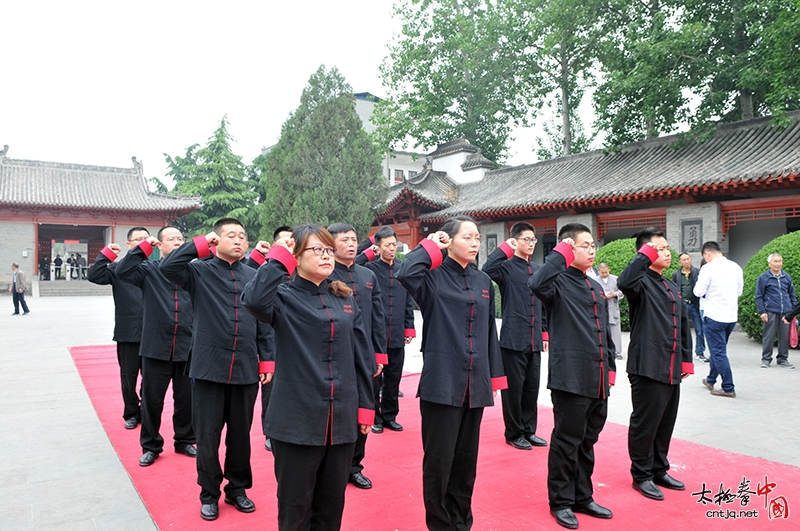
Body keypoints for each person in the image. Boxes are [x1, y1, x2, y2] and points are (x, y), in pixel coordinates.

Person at [242, 224, 374, 531]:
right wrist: (278, 257)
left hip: (340, 421)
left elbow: (360, 355)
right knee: (295, 510)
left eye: (329, 249)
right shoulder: (282, 298)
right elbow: (254, 300)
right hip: (296, 423)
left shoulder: (343, 296)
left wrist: (366, 405)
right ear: (296, 257)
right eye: (317, 250)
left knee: (331, 508)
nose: (327, 255)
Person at [397, 215, 507, 531]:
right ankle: (440, 525)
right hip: (442, 382)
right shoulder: (431, 277)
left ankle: (462, 522)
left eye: (477, 238)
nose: (475, 243)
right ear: (449, 240)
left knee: (465, 463)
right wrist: (430, 245)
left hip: (475, 383)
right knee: (439, 463)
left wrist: (494, 378)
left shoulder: (484, 282)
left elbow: (489, 332)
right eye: (467, 237)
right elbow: (406, 273)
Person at [160, 218, 271, 521]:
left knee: (240, 435)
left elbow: (263, 320)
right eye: (230, 236)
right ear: (216, 241)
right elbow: (167, 267)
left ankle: (237, 489)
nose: (238, 241)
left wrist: (267, 359)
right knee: (207, 436)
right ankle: (208, 493)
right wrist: (199, 243)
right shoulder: (198, 271)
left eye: (243, 236)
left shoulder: (253, 274)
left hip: (246, 367)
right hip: (209, 368)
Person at [529, 222, 616, 530]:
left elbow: (604, 331)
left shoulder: (594, 285)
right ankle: (562, 501)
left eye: (593, 245)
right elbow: (537, 283)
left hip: (598, 376)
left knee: (588, 440)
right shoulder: (557, 282)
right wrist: (560, 252)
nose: (592, 250)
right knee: (567, 441)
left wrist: (611, 367)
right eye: (584, 245)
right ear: (568, 247)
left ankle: (583, 495)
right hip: (570, 376)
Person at [618, 227, 693, 502]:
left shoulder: (670, 284)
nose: (667, 252)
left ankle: (659, 468)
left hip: (672, 363)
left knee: (665, 422)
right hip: (647, 364)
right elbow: (624, 281)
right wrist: (644, 256)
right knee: (646, 422)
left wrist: (686, 360)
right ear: (645, 252)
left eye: (666, 247)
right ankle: (641, 474)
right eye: (659, 248)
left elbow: (683, 323)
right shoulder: (639, 283)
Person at [115, 226, 196, 466]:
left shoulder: (194, 272)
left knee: (186, 399)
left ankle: (184, 440)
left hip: (187, 346)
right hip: (155, 347)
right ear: (159, 244)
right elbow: (123, 270)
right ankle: (151, 445)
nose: (177, 242)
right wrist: (143, 247)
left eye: (181, 238)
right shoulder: (148, 270)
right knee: (152, 401)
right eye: (171, 239)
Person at [327, 223, 387, 491]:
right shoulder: (326, 274)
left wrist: (379, 355)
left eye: (354, 240)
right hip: (334, 353)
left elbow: (378, 315)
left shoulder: (367, 275)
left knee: (365, 408)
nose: (351, 244)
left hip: (364, 355)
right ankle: (334, 465)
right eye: (344, 240)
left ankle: (355, 465)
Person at [482, 221, 549, 450]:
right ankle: (513, 433)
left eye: (533, 240)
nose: (531, 244)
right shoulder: (506, 268)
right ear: (516, 241)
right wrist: (505, 248)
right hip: (513, 338)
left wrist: (545, 332)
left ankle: (529, 430)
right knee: (514, 390)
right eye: (526, 239)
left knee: (532, 388)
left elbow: (544, 304)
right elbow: (487, 269)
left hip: (534, 339)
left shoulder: (538, 269)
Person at [86, 227, 149, 429]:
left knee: (151, 379)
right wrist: (107, 254)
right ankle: (131, 412)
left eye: (146, 239)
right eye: (138, 239)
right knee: (128, 377)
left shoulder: (159, 267)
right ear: (129, 244)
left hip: (155, 333)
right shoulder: (118, 269)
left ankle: (148, 412)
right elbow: (94, 275)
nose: (142, 243)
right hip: (128, 332)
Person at [358, 226, 416, 437]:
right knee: (375, 377)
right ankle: (375, 417)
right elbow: (353, 265)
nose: (392, 249)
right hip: (376, 333)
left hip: (397, 332)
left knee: (394, 377)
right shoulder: (370, 269)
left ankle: (390, 416)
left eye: (394, 244)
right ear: (378, 247)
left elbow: (408, 299)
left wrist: (409, 327)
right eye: (387, 245)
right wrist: (367, 251)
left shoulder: (402, 268)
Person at [257, 225, 293, 453]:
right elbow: (260, 318)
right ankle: (270, 432)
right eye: (284, 242)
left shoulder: (304, 272)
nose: (289, 245)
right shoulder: (268, 273)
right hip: (272, 344)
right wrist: (266, 357)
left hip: (296, 346)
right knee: (271, 393)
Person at [693, 241, 743, 398]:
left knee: (718, 352)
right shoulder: (736, 267)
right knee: (718, 350)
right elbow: (739, 291)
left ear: (707, 254)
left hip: (714, 315)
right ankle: (710, 379)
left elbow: (698, 291)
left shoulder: (708, 268)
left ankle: (728, 387)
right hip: (731, 316)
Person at [755, 253, 796, 369]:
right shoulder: (763, 278)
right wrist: (762, 311)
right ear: (769, 263)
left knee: (784, 336)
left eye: (780, 261)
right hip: (770, 311)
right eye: (775, 261)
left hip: (786, 312)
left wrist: (792, 311)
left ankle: (783, 359)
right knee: (769, 335)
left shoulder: (786, 277)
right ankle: (766, 359)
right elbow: (759, 296)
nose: (778, 264)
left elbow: (792, 295)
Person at [672, 253, 707, 362]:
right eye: (684, 260)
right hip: (682, 304)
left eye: (688, 259)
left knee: (699, 330)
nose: (686, 261)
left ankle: (700, 352)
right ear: (680, 262)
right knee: (679, 328)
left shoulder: (697, 272)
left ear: (691, 260)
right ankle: (679, 351)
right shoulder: (676, 274)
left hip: (695, 304)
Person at [597, 262, 624, 360]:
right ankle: (605, 351)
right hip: (602, 309)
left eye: (606, 272)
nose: (604, 274)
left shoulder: (615, 279)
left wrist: (614, 294)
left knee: (615, 332)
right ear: (598, 271)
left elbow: (622, 291)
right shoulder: (595, 281)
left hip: (613, 309)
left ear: (609, 269)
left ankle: (617, 352)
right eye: (602, 273)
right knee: (602, 331)